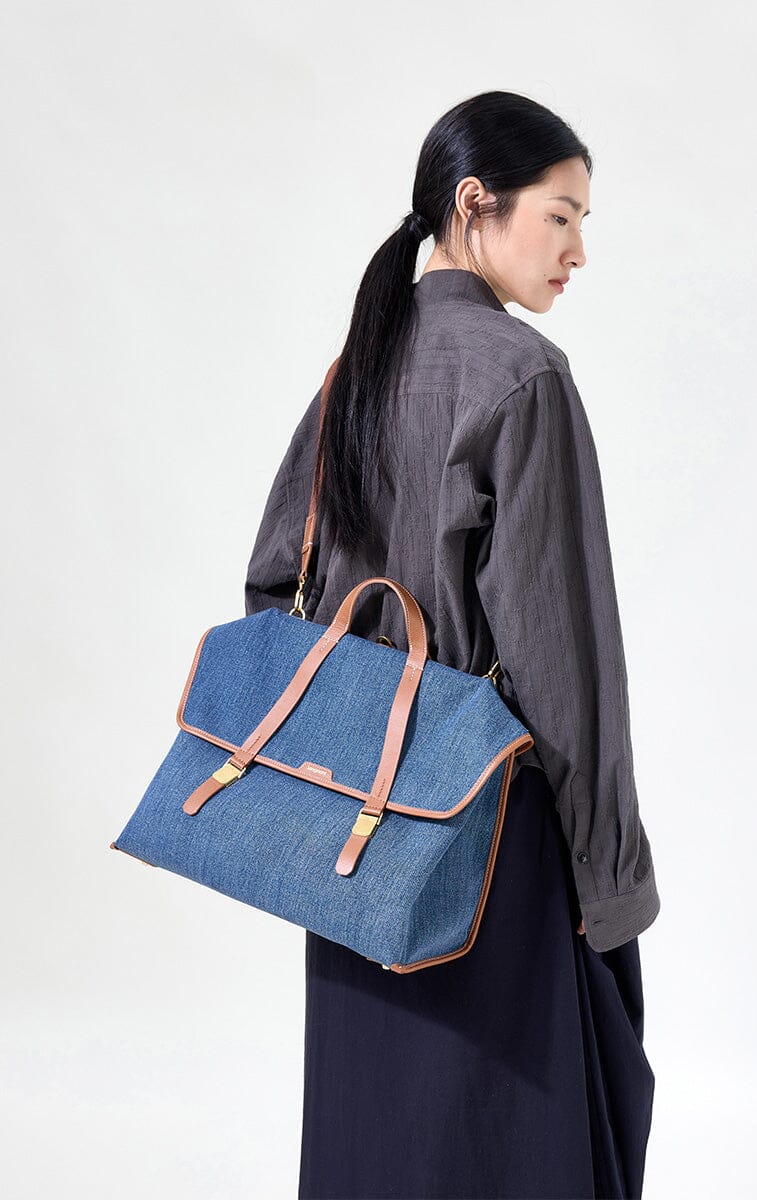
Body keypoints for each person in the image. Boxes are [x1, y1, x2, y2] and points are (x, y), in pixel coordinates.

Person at [245, 90, 660, 1200]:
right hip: (488, 836)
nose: (578, 252)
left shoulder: (355, 369)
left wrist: (352, 735)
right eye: (561, 217)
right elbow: (566, 661)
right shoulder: (521, 375)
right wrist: (611, 880)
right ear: (476, 204)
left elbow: (272, 585)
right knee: (508, 1138)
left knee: (375, 1131)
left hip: (352, 836)